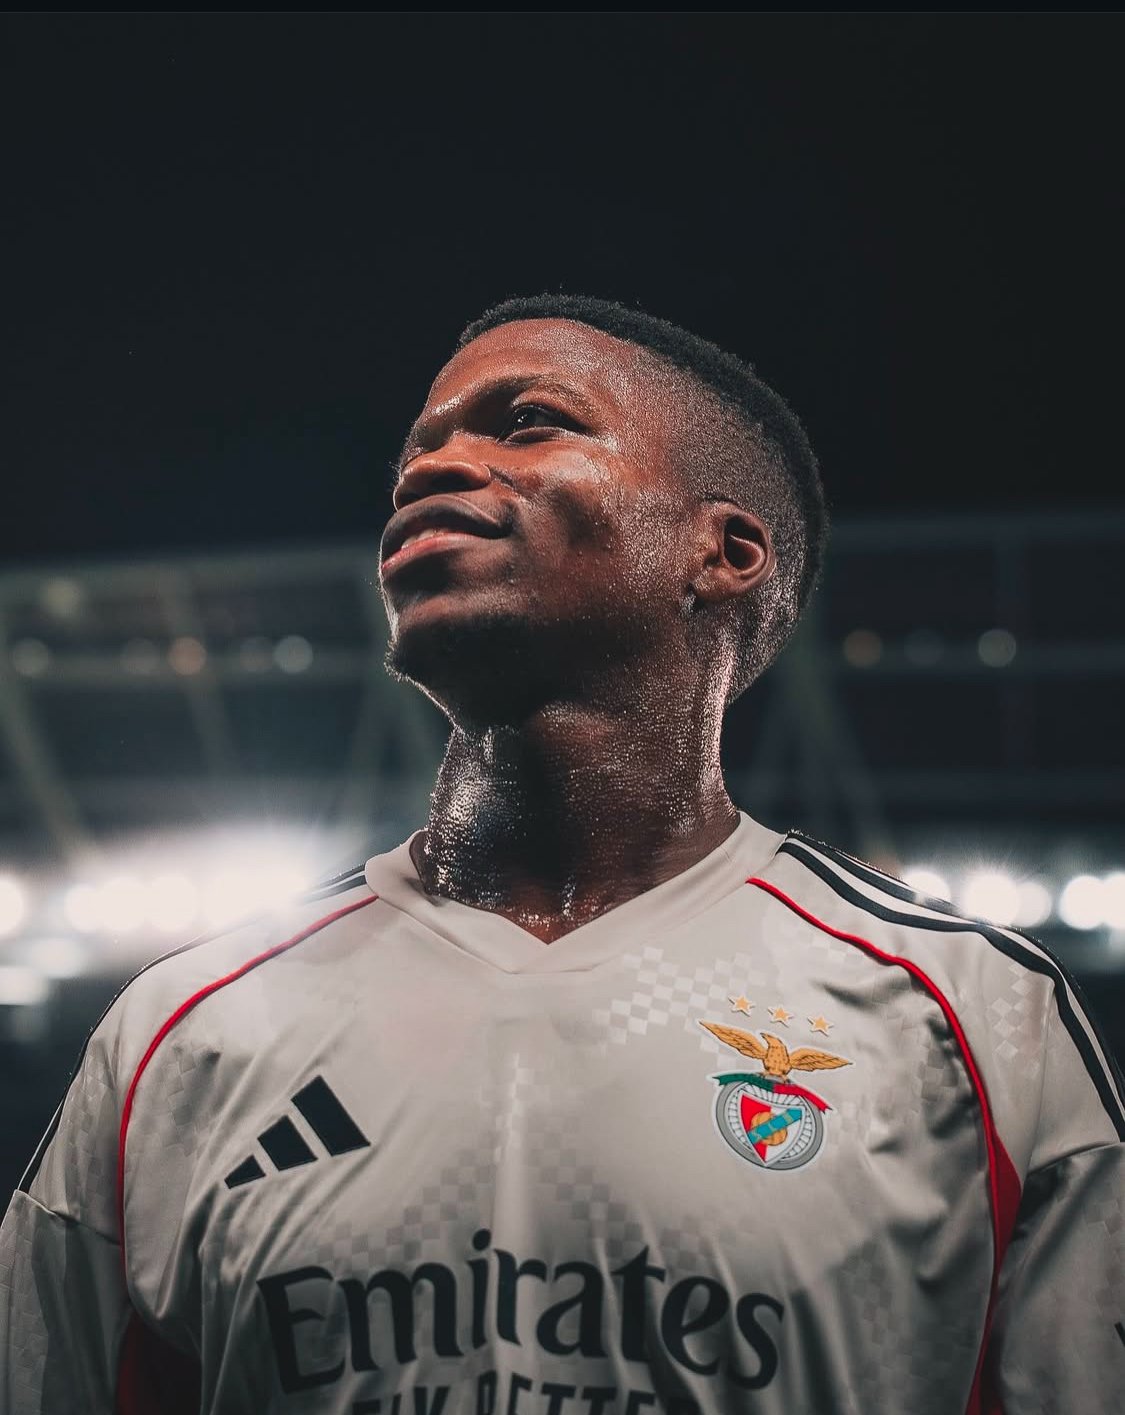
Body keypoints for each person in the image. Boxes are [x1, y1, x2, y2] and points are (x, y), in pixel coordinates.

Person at [1, 294, 1121, 1415]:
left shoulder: (973, 1019)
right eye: (419, 448)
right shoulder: (183, 1031)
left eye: (527, 422)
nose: (432, 467)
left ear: (722, 550)